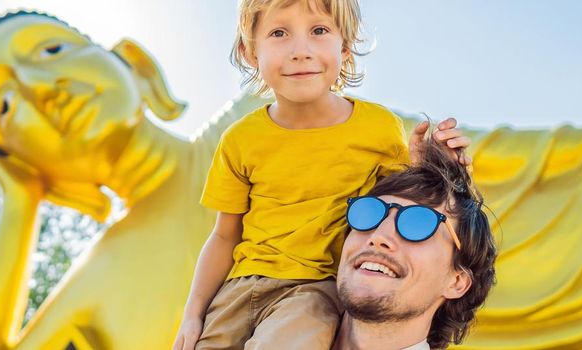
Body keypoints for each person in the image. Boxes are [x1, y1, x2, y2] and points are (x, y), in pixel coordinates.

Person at [173, 0, 473, 348]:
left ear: (344, 47)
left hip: (313, 289)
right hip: (238, 287)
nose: (301, 51)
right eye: (279, 33)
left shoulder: (378, 128)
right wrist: (193, 311)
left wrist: (433, 167)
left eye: (319, 31)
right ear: (250, 52)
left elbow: (401, 203)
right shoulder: (240, 140)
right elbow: (225, 236)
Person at [334, 140, 497, 349]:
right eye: (369, 213)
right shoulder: (287, 318)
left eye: (419, 222)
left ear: (457, 282)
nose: (378, 235)